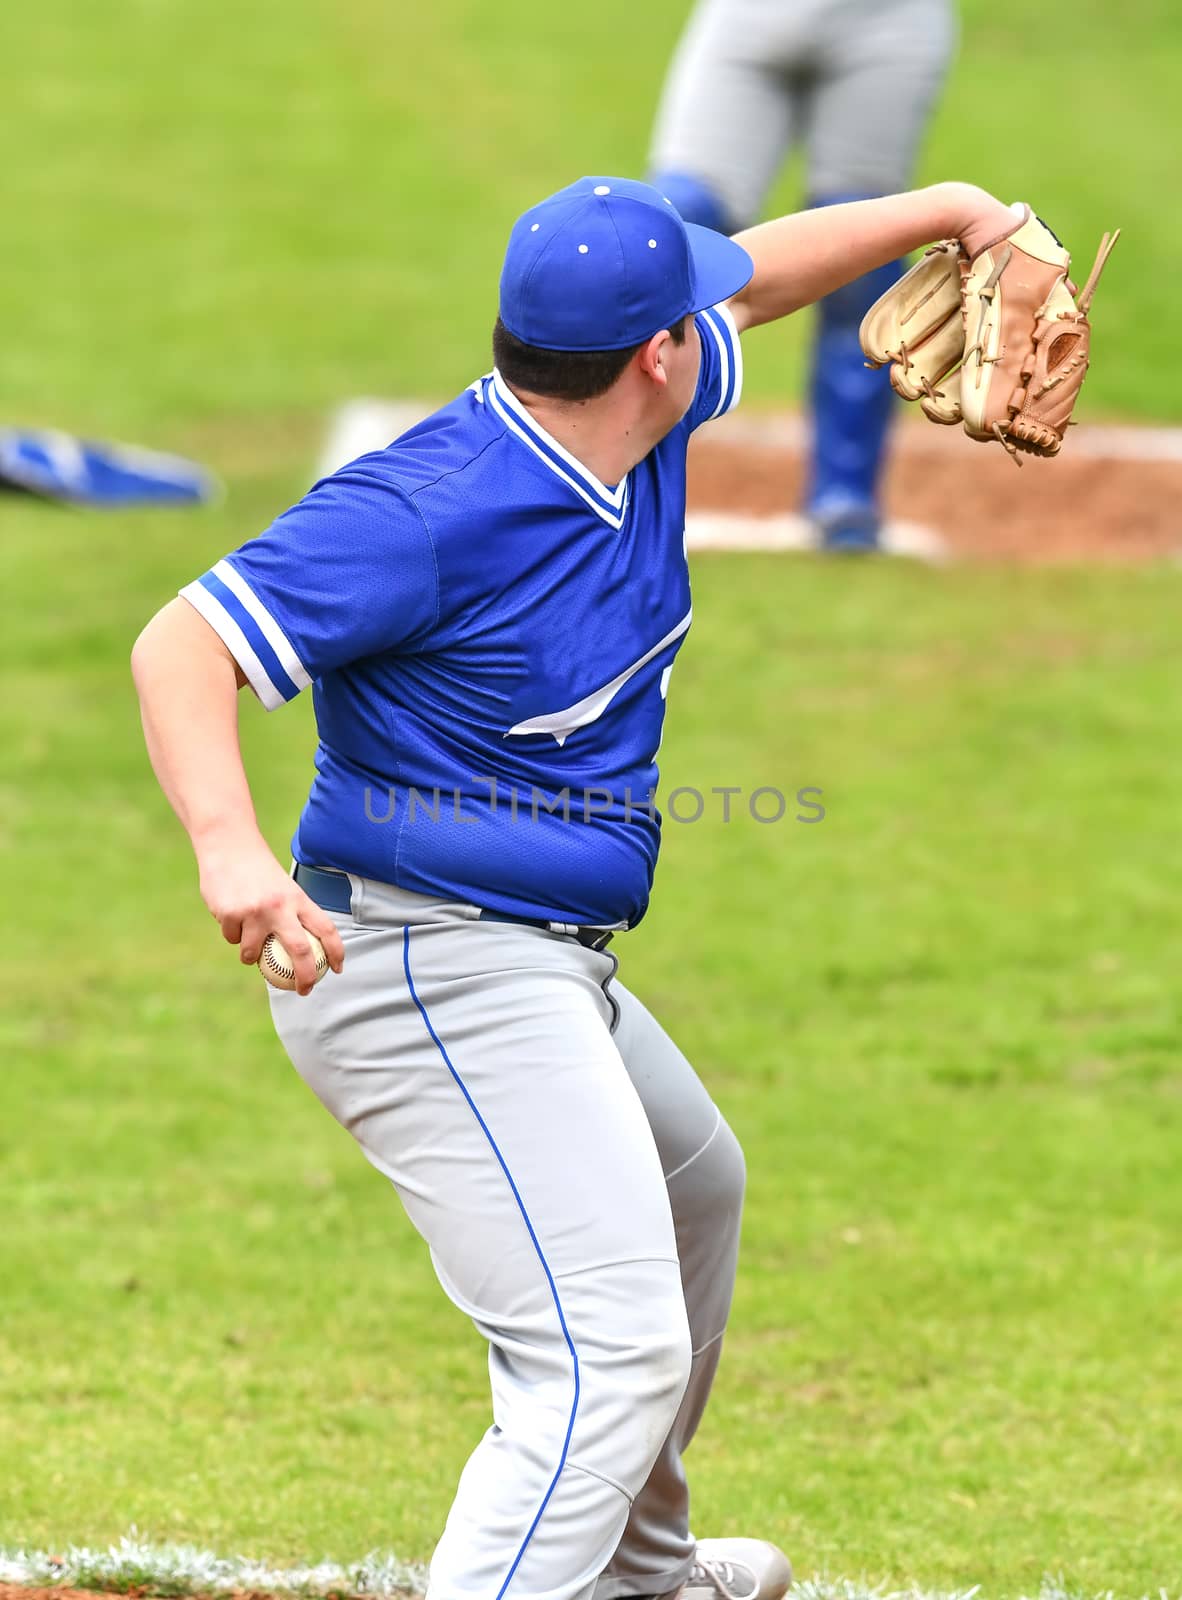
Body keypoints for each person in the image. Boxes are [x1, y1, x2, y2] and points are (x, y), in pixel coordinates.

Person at [132, 175, 1022, 1600]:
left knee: (690, 1190)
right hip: (423, 968)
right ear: (653, 354)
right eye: (690, 309)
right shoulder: (432, 507)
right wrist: (229, 851)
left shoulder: (623, 419)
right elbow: (182, 645)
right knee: (605, 1348)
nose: (711, 318)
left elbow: (773, 276)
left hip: (539, 961)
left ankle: (630, 1573)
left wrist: (956, 209)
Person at [648, 0, 957, 551]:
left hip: (889, 22)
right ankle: (608, 462)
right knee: (679, 225)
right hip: (751, 17)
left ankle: (846, 503)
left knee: (862, 251)